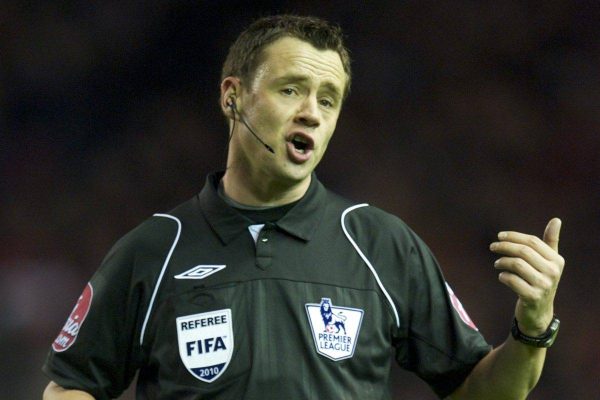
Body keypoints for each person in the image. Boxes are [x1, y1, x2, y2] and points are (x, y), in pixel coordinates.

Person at [43, 15, 565, 400]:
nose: (312, 114)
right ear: (232, 98)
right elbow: (69, 386)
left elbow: (481, 393)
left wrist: (532, 327)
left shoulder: (380, 243)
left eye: (329, 98)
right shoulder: (156, 248)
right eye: (291, 89)